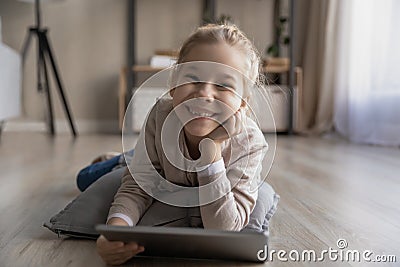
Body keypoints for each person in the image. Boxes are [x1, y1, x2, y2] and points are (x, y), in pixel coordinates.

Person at [95, 23, 279, 266]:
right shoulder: (160, 115)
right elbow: (137, 187)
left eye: (223, 85)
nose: (204, 93)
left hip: (200, 171)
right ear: (173, 83)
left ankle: (127, 157)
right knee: (86, 178)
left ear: (243, 103)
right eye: (193, 78)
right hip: (159, 162)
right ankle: (120, 159)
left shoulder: (250, 143)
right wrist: (114, 235)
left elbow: (223, 230)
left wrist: (211, 153)